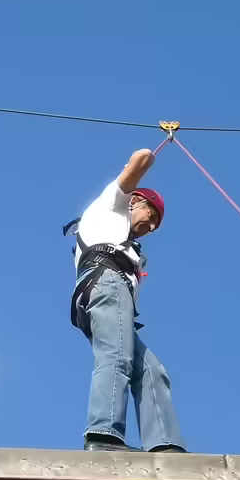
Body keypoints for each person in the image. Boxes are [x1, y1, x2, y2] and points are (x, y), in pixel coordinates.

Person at [65, 147, 187, 453]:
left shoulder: (126, 241)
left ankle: (165, 446)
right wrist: (158, 147)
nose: (153, 226)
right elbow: (140, 159)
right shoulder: (111, 207)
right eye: (151, 214)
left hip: (114, 296)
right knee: (116, 357)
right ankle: (104, 435)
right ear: (135, 201)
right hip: (106, 284)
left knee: (151, 370)